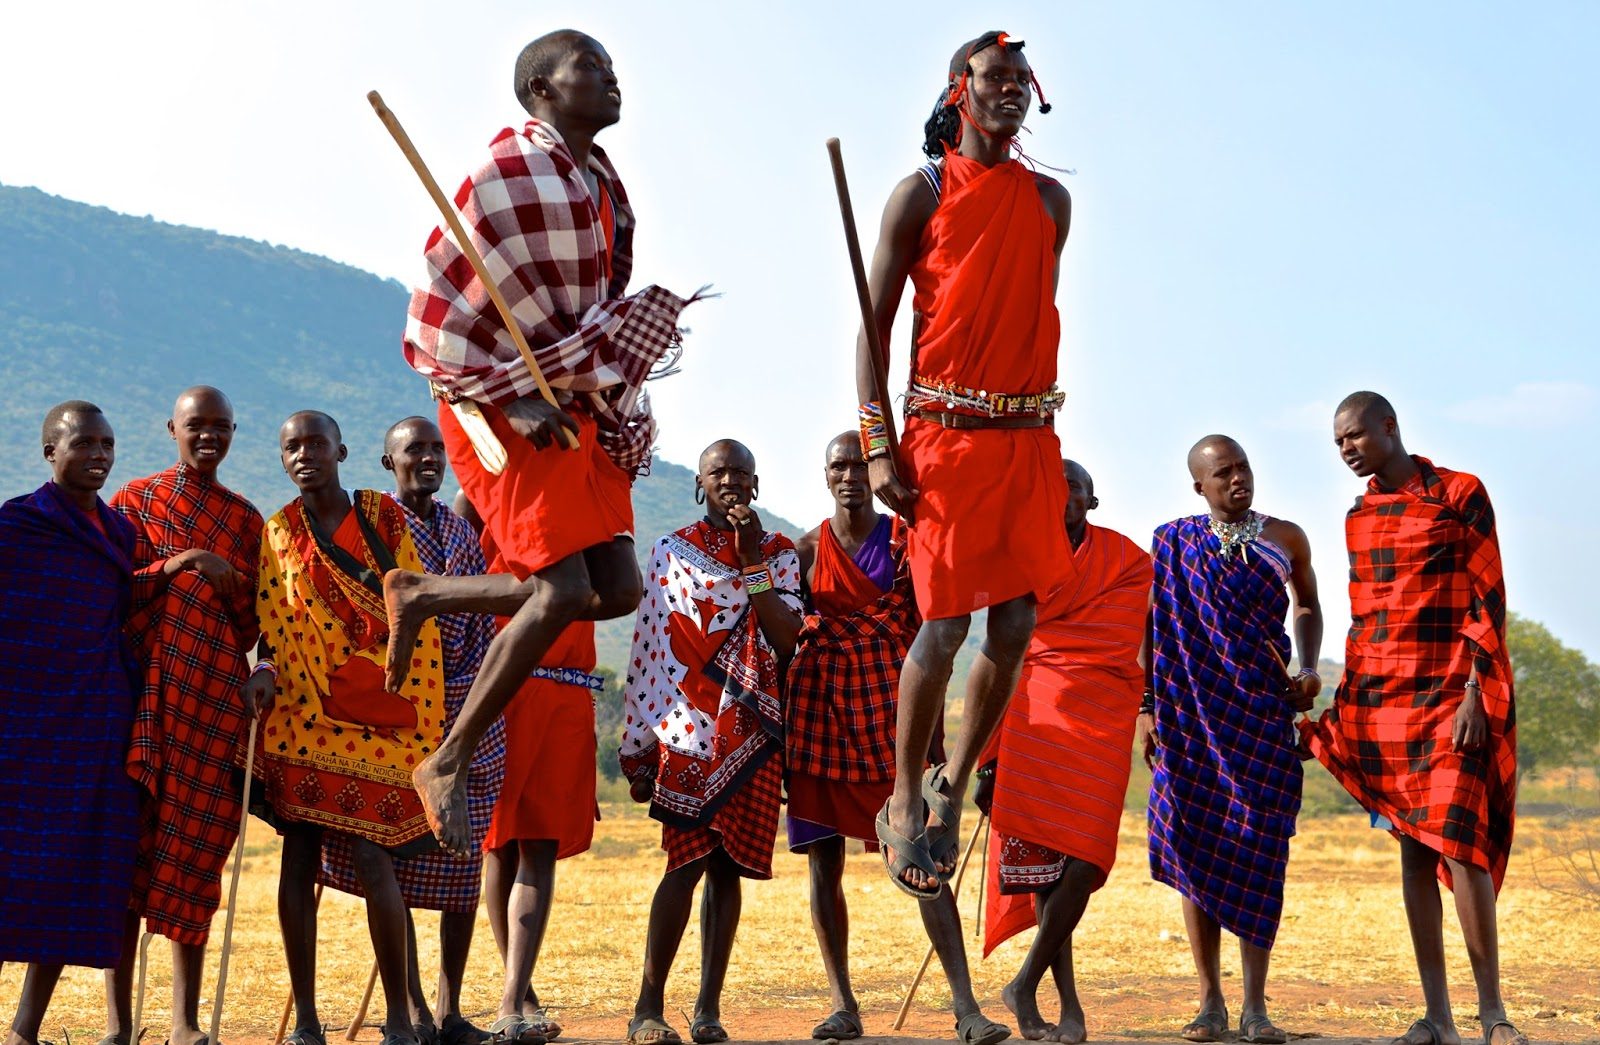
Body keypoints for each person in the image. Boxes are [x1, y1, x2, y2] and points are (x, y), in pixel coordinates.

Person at [387, 28, 700, 856]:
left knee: (616, 586)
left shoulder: (598, 183)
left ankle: (422, 595)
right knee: (558, 590)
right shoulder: (508, 169)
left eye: (612, 64)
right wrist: (511, 392)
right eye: (589, 67)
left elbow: (575, 316)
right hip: (495, 403)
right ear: (541, 88)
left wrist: (574, 384)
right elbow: (445, 308)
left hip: (561, 400)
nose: (610, 77)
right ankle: (446, 761)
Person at [854, 30, 1073, 900]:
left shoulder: (1053, 200)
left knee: (1014, 627)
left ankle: (952, 779)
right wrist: (877, 444)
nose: (1012, 90)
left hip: (1026, 439)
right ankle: (905, 795)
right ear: (959, 90)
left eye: (1024, 79)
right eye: (996, 77)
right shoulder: (922, 192)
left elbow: (1025, 312)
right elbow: (870, 331)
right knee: (943, 627)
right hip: (942, 438)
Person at [1303, 392, 1526, 1045]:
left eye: (1355, 435)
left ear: (1389, 427)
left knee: (1464, 848)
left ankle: (1493, 1013)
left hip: (1452, 697)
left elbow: (1489, 598)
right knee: (1411, 850)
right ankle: (1438, 1017)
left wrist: (1475, 694)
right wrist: (1342, 705)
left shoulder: (1460, 493)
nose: (1347, 448)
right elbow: (1365, 619)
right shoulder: (1359, 517)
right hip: (1383, 703)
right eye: (1337, 441)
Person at [787, 433, 1008, 1045]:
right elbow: (786, 633)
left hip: (900, 722)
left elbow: (936, 625)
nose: (850, 475)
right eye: (838, 465)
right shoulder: (804, 552)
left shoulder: (906, 538)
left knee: (925, 857)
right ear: (824, 474)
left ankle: (966, 1008)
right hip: (824, 717)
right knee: (822, 868)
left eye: (860, 463)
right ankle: (843, 1005)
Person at [241, 411, 449, 1045]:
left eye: (316, 444)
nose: (305, 454)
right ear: (281, 457)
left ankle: (397, 1017)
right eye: (292, 446)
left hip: (384, 708)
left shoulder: (384, 517)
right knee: (298, 851)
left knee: (371, 852)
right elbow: (275, 626)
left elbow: (414, 601)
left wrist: (382, 679)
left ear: (342, 451)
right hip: (306, 716)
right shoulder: (277, 531)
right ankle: (306, 1018)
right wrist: (266, 670)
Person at [316, 417, 505, 1045]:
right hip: (390, 715)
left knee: (461, 865)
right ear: (385, 461)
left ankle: (451, 1010)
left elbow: (482, 628)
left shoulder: (460, 531)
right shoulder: (376, 531)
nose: (426, 459)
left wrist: (472, 714)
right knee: (386, 859)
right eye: (412, 450)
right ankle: (413, 1009)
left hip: (460, 713)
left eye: (435, 449)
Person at [1138, 435, 1322, 1045]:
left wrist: (1309, 667)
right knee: (1195, 848)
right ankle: (1210, 1003)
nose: (1237, 480)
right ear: (1200, 486)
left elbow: (1308, 606)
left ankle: (1256, 1008)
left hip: (1260, 718)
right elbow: (1152, 627)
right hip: (1191, 721)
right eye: (1222, 474)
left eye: (1242, 467)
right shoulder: (1171, 542)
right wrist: (1147, 710)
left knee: (1260, 853)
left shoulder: (1285, 538)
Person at [617, 440, 803, 1045]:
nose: (730, 480)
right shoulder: (672, 551)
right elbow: (651, 647)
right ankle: (648, 1007)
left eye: (741, 472)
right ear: (700, 483)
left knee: (728, 869)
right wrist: (642, 738)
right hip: (687, 730)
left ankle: (708, 1010)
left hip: (752, 732)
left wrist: (751, 564)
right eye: (718, 472)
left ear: (756, 482)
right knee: (685, 862)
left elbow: (787, 639)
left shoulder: (777, 553)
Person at [97, 386, 264, 1045]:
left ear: (232, 432)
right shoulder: (135, 502)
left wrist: (262, 673)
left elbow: (257, 620)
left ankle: (185, 1023)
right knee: (125, 865)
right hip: (137, 701)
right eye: (197, 425)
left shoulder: (247, 520)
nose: (209, 437)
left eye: (221, 427)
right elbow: (111, 589)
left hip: (211, 713)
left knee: (195, 859)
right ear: (173, 427)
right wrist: (182, 564)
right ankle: (116, 1024)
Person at [976, 461, 1151, 1044]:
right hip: (1034, 718)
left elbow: (1138, 639)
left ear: (1092, 500)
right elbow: (999, 653)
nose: (1063, 495)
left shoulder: (1128, 562)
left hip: (1102, 720)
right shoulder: (1020, 560)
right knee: (1048, 871)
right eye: (1052, 486)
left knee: (1089, 856)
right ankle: (1060, 1006)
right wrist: (985, 752)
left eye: (1072, 486)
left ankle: (1025, 983)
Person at [0, 402, 141, 1045]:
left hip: (91, 728)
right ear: (49, 452)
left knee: (68, 874)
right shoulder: (15, 528)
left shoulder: (118, 535)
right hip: (19, 728)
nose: (99, 455)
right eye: (83, 442)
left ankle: (26, 1031)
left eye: (107, 444)